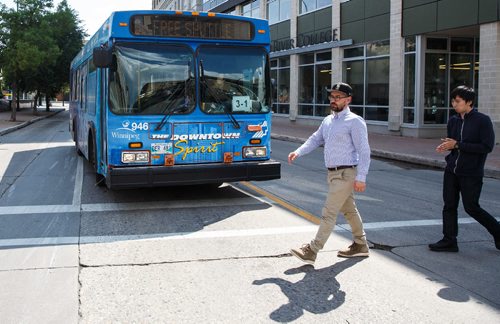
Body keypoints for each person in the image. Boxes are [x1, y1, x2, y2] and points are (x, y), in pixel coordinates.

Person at [289, 82, 371, 264]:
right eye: (332, 96)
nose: (333, 100)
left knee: (329, 212)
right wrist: (299, 151)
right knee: (349, 210)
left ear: (348, 100)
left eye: (338, 97)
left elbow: (364, 151)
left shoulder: (355, 122)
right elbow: (315, 139)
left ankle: (312, 250)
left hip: (346, 174)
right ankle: (361, 245)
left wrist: (361, 177)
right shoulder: (328, 120)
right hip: (333, 174)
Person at [429, 85, 500, 252]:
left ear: (469, 102)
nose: (454, 104)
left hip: (471, 173)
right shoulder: (453, 120)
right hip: (452, 170)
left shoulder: (483, 120)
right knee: (449, 205)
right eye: (453, 100)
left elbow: (486, 146)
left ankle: (497, 231)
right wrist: (448, 146)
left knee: (471, 207)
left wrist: (458, 144)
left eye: (458, 101)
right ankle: (449, 240)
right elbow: (454, 144)